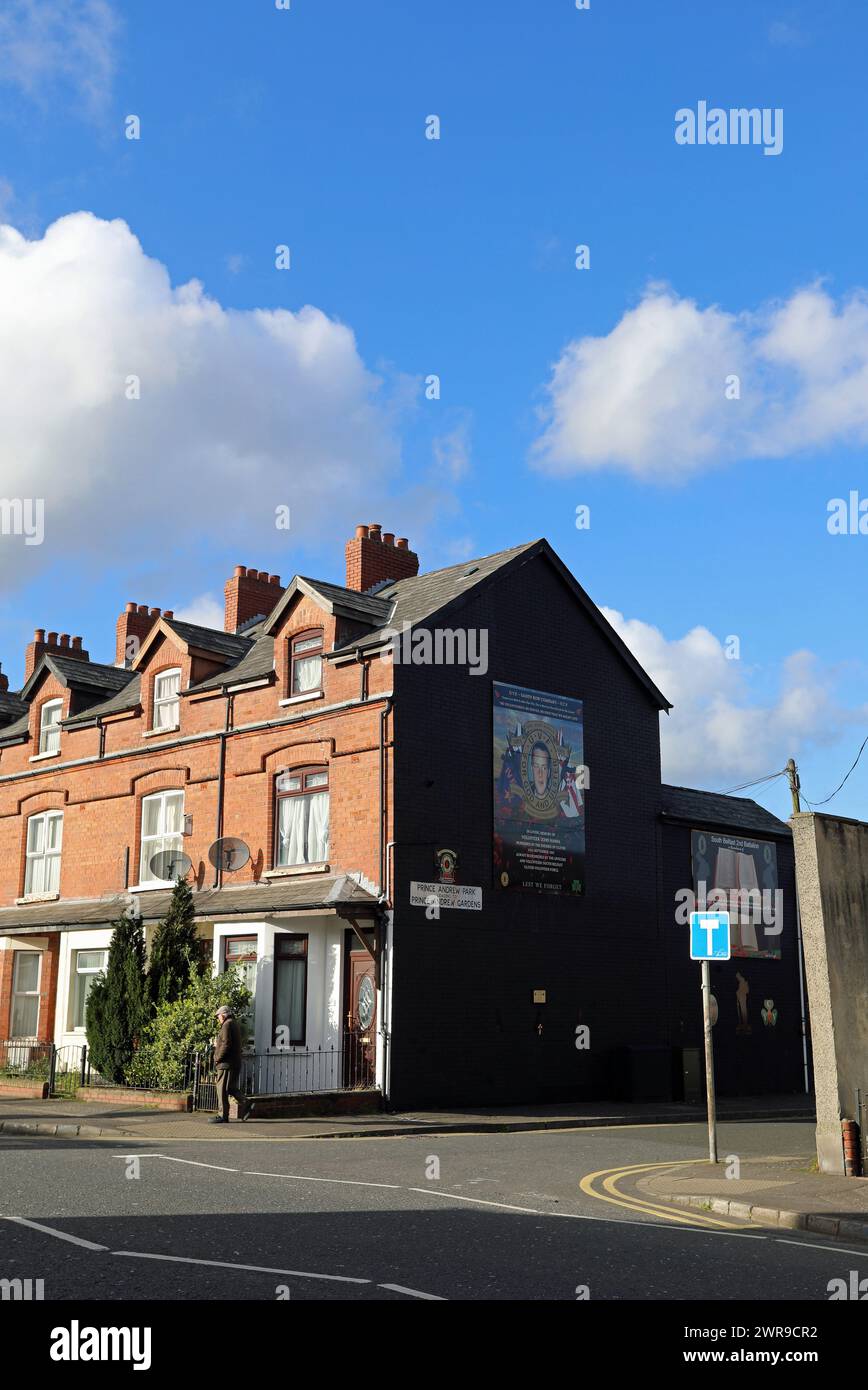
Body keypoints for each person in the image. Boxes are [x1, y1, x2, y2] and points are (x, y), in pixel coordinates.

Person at [209, 1004, 252, 1123]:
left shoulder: (227, 1025)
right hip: (234, 1062)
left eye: (218, 1016)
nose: (218, 1019)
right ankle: (246, 1103)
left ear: (223, 1015)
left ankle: (223, 1115)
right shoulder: (234, 1024)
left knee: (221, 1089)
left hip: (226, 1063)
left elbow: (226, 1044)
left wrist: (217, 1057)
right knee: (230, 1087)